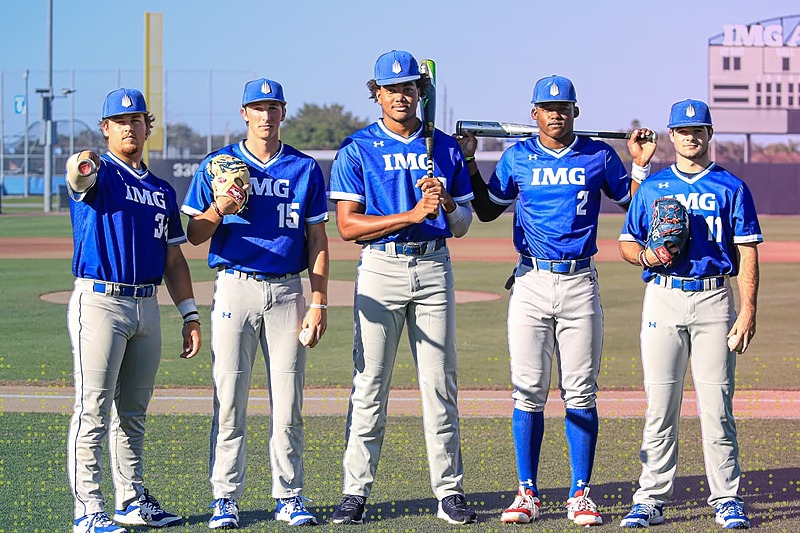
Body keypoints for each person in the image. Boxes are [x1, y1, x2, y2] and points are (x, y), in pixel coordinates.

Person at [461, 75, 656, 526]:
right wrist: (469, 161)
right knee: (528, 390)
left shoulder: (598, 155)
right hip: (530, 280)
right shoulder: (517, 157)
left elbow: (635, 208)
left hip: (579, 281)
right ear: (534, 113)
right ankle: (527, 492)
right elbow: (488, 210)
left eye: (563, 107)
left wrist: (640, 167)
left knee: (581, 390)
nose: (556, 114)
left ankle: (580, 494)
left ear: (575, 112)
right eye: (548, 108)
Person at [327, 49, 476, 525]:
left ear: (419, 92)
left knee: (439, 384)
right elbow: (347, 227)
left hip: (433, 267)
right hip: (380, 268)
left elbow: (463, 225)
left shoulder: (444, 147)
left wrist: (446, 202)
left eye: (409, 88)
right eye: (391, 89)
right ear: (377, 94)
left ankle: (449, 491)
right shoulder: (357, 148)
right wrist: (410, 215)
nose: (400, 96)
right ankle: (355, 491)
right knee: (369, 384)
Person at [181, 77, 329, 529]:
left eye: (273, 107)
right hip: (235, 286)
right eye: (258, 107)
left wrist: (319, 300)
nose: (266, 115)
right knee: (229, 399)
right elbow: (193, 235)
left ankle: (289, 496)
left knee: (288, 402)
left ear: (283, 112)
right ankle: (225, 497)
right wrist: (219, 208)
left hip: (287, 291)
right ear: (244, 113)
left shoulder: (303, 168)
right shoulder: (218, 165)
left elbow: (317, 238)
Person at [618, 99, 761, 529]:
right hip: (664, 296)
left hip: (714, 298)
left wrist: (748, 309)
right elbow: (627, 242)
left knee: (717, 407)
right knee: (660, 406)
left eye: (698, 129)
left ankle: (726, 498)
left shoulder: (731, 187)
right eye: (683, 131)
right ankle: (650, 498)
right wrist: (646, 256)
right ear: (672, 136)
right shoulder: (653, 187)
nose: (691, 137)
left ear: (709, 134)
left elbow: (747, 251)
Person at [65, 88, 202, 533]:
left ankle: (130, 499)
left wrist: (189, 314)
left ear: (147, 127)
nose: (129, 127)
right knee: (92, 408)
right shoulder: (100, 173)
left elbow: (174, 259)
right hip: (100, 301)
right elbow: (78, 175)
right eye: (120, 121)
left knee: (134, 412)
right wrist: (83, 161)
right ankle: (88, 508)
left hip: (147, 305)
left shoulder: (162, 190)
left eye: (136, 119)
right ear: (105, 128)